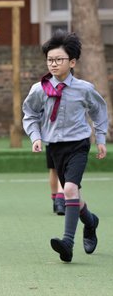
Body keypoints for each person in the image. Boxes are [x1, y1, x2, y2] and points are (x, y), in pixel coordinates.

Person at [22, 31, 107, 263]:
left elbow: (99, 111)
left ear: (72, 62)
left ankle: (67, 242)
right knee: (73, 194)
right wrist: (35, 136)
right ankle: (90, 222)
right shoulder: (39, 89)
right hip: (54, 147)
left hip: (78, 145)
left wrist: (100, 139)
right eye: (50, 59)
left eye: (59, 59)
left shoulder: (84, 88)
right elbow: (29, 114)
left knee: (69, 189)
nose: (54, 64)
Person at [47, 148, 65, 215]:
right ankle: (60, 200)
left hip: (50, 141)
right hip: (65, 141)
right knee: (62, 167)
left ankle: (56, 203)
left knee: (53, 168)